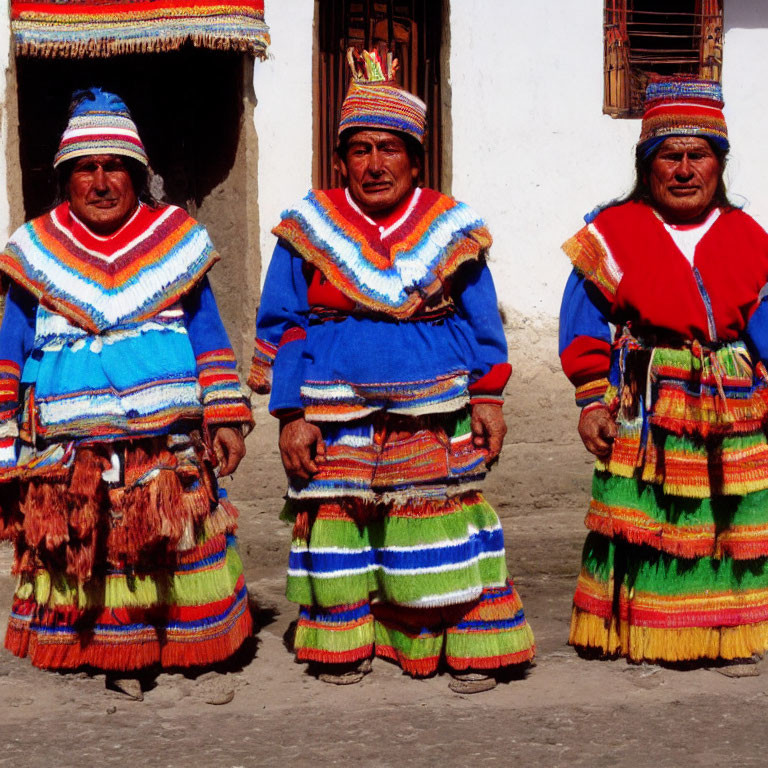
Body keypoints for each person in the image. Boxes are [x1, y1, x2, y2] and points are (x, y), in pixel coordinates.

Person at [249, 48, 534, 693]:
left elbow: (482, 322)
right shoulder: (308, 228)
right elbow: (284, 324)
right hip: (334, 405)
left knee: (435, 520)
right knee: (341, 523)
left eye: (389, 148)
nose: (374, 164)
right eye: (360, 149)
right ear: (340, 158)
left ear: (414, 156)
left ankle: (454, 640)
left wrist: (488, 398)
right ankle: (345, 640)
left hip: (432, 407)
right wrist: (291, 415)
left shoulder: (450, 227)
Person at [0, 89, 254, 698]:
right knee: (99, 545)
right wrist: (6, 431)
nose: (101, 181)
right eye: (86, 168)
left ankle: (191, 647)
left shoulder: (175, 238)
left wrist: (223, 413)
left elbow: (208, 333)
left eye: (114, 166)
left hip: (162, 433)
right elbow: (10, 346)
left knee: (174, 537)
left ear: (137, 173)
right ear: (66, 178)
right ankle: (119, 655)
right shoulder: (35, 248)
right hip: (73, 440)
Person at [560, 78, 768, 669]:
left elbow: (765, 319)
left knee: (726, 518)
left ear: (718, 164)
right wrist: (591, 400)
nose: (683, 170)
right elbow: (582, 321)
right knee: (646, 519)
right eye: (668, 156)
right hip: (646, 398)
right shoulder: (612, 231)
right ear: (646, 164)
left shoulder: (749, 237)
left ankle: (726, 631)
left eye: (697, 155)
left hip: (731, 400)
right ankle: (646, 633)